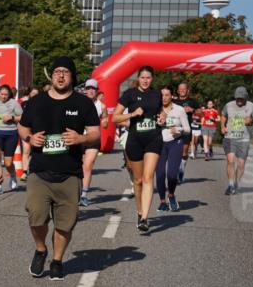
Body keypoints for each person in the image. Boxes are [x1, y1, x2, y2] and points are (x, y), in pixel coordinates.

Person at [18, 57, 100, 279]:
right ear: (52, 76)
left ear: (72, 76)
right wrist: (29, 138)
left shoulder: (83, 103)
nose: (61, 75)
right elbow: (22, 127)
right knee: (36, 216)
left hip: (70, 173)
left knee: (65, 223)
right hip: (40, 171)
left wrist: (81, 138)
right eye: (57, 71)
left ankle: (57, 260)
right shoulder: (36, 102)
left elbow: (95, 133)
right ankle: (40, 249)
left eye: (65, 71)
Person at [111, 66, 163, 233]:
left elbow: (161, 112)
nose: (145, 80)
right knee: (138, 180)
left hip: (153, 138)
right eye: (143, 77)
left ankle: (145, 218)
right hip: (135, 140)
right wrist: (132, 114)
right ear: (138, 78)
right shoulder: (129, 94)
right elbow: (115, 117)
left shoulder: (157, 94)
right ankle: (139, 212)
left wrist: (163, 117)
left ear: (152, 79)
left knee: (148, 177)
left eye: (148, 78)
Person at [220, 86, 253, 195]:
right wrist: (222, 126)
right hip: (230, 137)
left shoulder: (251, 105)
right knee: (230, 161)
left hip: (244, 139)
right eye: (237, 97)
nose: (239, 100)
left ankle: (236, 183)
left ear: (245, 97)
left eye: (241, 98)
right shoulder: (228, 105)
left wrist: (251, 120)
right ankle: (230, 185)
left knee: (241, 164)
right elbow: (223, 115)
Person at [155, 86, 190, 212]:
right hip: (159, 143)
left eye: (167, 95)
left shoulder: (179, 110)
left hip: (176, 142)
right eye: (162, 95)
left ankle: (171, 195)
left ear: (172, 96)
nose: (164, 98)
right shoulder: (156, 109)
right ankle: (162, 201)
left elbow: (187, 129)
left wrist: (177, 129)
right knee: (160, 174)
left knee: (171, 174)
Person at [0, 84, 22, 194]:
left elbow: (23, 117)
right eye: (2, 94)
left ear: (9, 94)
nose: (3, 96)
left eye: (6, 94)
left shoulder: (14, 103)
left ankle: (13, 175)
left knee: (8, 163)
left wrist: (12, 117)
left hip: (11, 134)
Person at [79, 78, 106, 207]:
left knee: (88, 165)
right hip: (79, 138)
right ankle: (76, 191)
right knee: (77, 166)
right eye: (88, 88)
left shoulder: (102, 106)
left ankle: (84, 195)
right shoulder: (78, 103)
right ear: (85, 90)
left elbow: (105, 119)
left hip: (93, 140)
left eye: (93, 89)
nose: (90, 91)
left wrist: (105, 122)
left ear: (97, 91)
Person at [173, 82, 198, 183]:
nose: (182, 90)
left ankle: (181, 171)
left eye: (184, 89)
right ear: (178, 90)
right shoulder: (173, 101)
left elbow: (201, 112)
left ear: (187, 90)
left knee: (184, 153)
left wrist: (192, 110)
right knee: (175, 153)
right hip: (175, 129)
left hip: (186, 130)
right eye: (180, 89)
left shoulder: (192, 101)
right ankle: (175, 173)